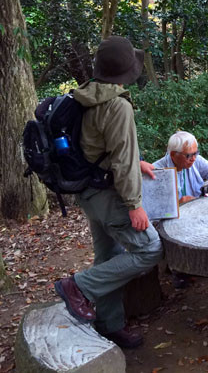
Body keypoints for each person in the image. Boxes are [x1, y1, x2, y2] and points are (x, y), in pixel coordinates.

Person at [54, 36, 163, 349]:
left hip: (88, 190)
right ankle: (78, 287)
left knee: (108, 256)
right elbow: (122, 159)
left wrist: (134, 161)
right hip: (107, 194)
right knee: (149, 250)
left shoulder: (86, 94)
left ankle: (109, 324)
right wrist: (134, 204)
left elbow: (104, 148)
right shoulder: (116, 104)